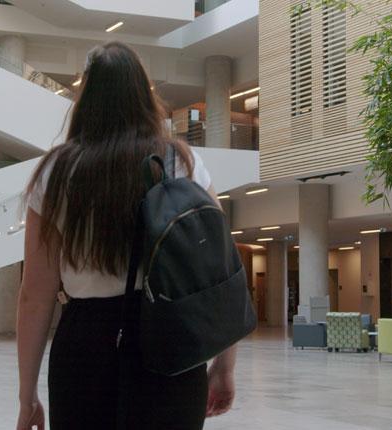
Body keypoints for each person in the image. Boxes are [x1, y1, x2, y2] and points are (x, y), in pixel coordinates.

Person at [16, 41, 238, 430]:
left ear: (86, 96)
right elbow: (219, 273)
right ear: (143, 94)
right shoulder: (180, 163)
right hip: (173, 339)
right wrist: (224, 366)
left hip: (85, 346)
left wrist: (26, 396)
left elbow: (35, 295)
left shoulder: (56, 172)